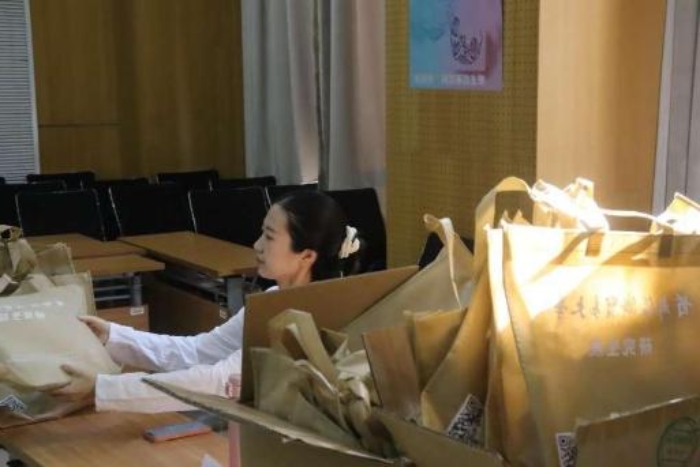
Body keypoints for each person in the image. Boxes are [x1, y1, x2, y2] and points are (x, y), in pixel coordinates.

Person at [49, 191, 362, 413]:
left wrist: (103, 388)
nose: (256, 245)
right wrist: (113, 336)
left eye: (268, 237)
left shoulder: (310, 316)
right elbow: (200, 351)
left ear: (306, 256)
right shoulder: (273, 299)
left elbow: (218, 382)